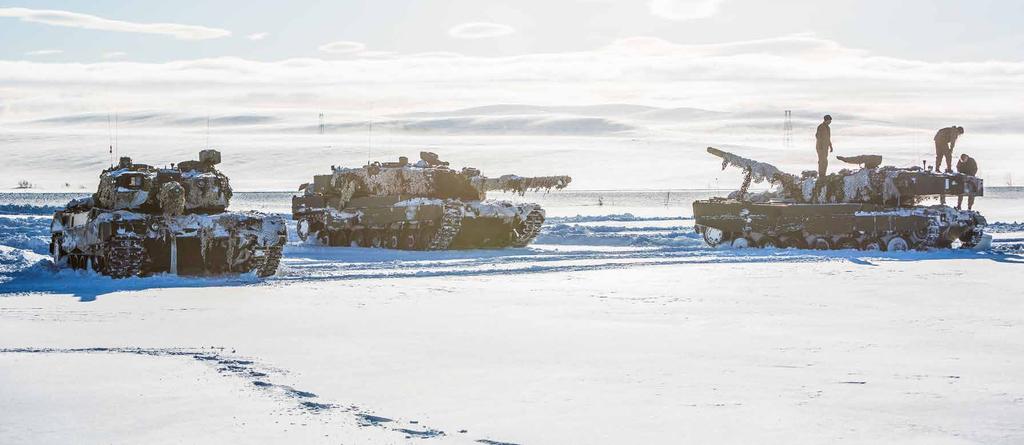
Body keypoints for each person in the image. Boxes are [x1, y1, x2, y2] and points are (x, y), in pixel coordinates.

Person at [815, 115, 834, 180]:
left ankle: (823, 175)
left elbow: (828, 138)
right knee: (822, 161)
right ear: (826, 120)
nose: (830, 122)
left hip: (826, 148)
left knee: (825, 161)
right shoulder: (821, 127)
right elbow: (817, 136)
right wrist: (820, 146)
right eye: (829, 120)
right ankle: (821, 175)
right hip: (820, 147)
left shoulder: (828, 128)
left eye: (830, 121)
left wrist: (831, 146)